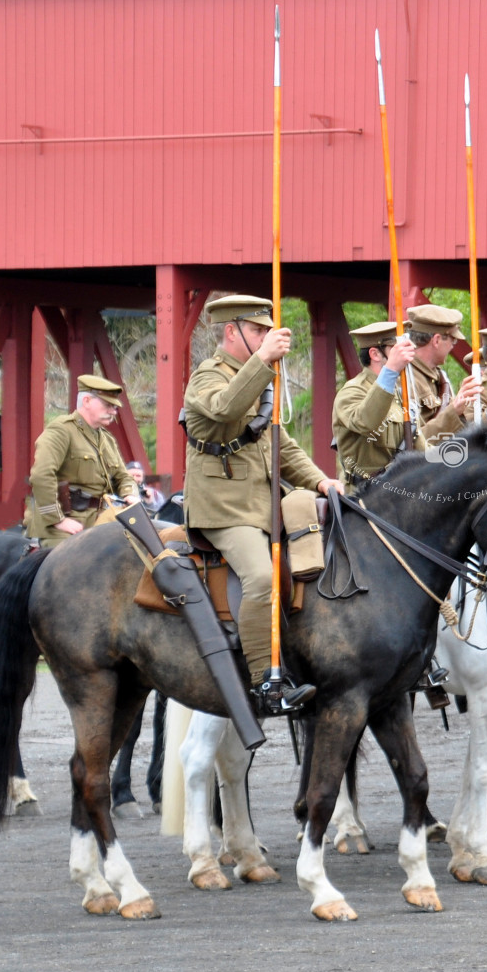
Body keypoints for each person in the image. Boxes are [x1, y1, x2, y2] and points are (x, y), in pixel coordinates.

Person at [183, 295, 343, 715]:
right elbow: (225, 407)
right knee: (261, 578)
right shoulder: (208, 377)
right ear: (231, 331)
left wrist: (322, 481)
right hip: (223, 507)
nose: (267, 337)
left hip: (264, 503)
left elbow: (281, 446)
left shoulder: (258, 378)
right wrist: (264, 361)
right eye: (258, 331)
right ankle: (264, 683)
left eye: (269, 331)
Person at [24, 374, 139, 546]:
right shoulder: (62, 430)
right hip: (63, 523)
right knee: (69, 567)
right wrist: (58, 520)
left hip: (100, 519)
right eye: (107, 405)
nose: (113, 412)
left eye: (114, 407)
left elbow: (123, 476)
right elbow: (41, 475)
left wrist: (130, 493)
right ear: (86, 401)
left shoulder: (107, 440)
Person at [332, 321, 425, 490]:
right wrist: (390, 370)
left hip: (397, 493)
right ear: (375, 354)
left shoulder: (399, 394)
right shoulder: (352, 392)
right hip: (362, 497)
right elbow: (366, 422)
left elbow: (421, 447)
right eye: (396, 349)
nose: (406, 353)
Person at [405, 303, 482, 445]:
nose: (454, 345)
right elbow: (411, 443)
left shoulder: (440, 377)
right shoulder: (404, 379)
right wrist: (454, 410)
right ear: (436, 340)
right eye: (453, 339)